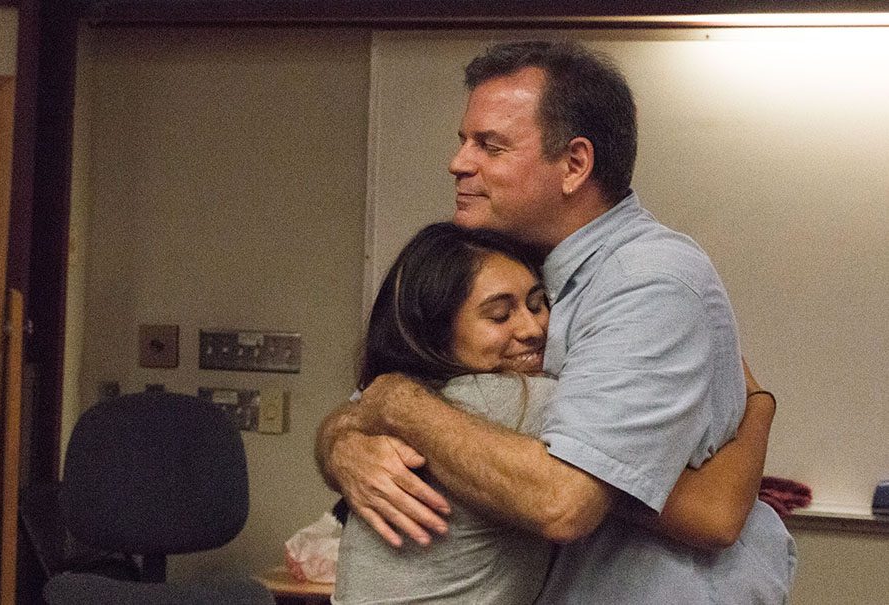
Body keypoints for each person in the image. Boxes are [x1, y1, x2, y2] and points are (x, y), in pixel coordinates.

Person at [318, 40, 795, 603]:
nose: (460, 162)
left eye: (490, 146)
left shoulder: (646, 281)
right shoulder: (530, 268)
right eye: (463, 141)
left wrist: (392, 404)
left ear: (574, 165)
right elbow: (388, 397)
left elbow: (563, 501)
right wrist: (342, 440)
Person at [332, 222, 778, 604]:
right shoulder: (513, 404)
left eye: (536, 303)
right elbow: (715, 514)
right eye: (499, 315)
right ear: (437, 332)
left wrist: (348, 427)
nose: (532, 329)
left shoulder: (409, 401)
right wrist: (760, 406)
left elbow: (358, 409)